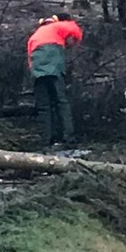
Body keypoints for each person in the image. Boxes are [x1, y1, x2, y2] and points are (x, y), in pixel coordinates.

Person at [26, 13, 84, 150]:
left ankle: (46, 141)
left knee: (44, 106)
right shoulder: (57, 26)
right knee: (61, 101)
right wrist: (76, 41)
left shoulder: (33, 38)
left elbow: (30, 61)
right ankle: (68, 138)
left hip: (38, 70)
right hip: (54, 66)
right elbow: (74, 29)